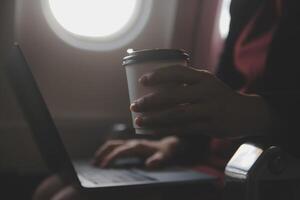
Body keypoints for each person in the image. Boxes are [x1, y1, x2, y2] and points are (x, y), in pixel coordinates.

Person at [33, 0, 300, 199]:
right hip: (209, 158)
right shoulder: (246, 5)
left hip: (259, 166)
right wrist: (174, 143)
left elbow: (241, 106)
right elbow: (225, 87)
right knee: (50, 188)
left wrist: (262, 112)